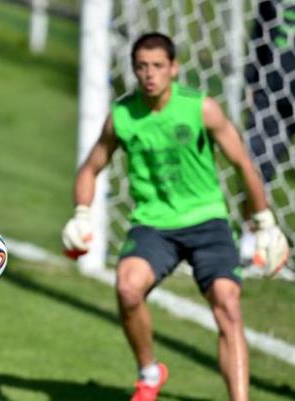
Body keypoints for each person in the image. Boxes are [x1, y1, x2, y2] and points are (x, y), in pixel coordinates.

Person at [61, 33, 289, 401]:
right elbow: (90, 168)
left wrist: (263, 220)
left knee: (227, 304)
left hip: (208, 221)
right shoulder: (122, 115)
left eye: (157, 66)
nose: (149, 74)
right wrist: (81, 214)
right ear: (134, 69)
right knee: (126, 287)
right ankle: (149, 373)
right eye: (141, 67)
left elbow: (244, 162)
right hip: (153, 224)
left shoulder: (201, 108)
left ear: (174, 68)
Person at [239, 0, 294, 267]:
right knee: (255, 164)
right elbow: (259, 34)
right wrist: (252, 81)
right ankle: (252, 240)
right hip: (272, 92)